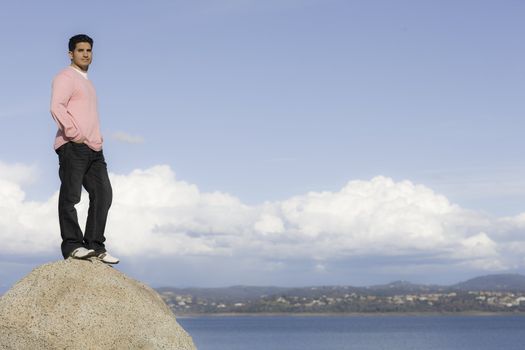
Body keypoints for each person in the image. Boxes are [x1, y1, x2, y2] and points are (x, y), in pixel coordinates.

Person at [50, 34, 119, 264]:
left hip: (94, 149)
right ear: (71, 53)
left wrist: (96, 138)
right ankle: (72, 245)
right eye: (80, 50)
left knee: (103, 195)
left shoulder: (87, 82)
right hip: (73, 146)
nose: (85, 54)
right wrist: (74, 134)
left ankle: (95, 245)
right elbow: (56, 107)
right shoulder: (66, 77)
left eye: (89, 50)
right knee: (71, 196)